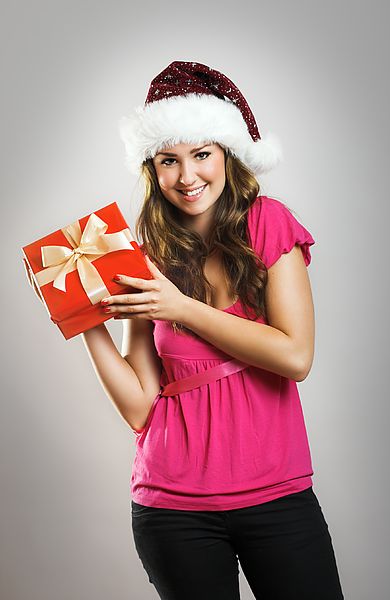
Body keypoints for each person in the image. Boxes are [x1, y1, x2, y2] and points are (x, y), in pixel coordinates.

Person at [26, 61, 344, 600]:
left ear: (226, 156)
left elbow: (296, 356)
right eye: (168, 160)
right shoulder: (144, 255)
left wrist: (181, 308)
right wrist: (82, 317)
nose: (187, 176)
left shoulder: (268, 222)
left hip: (276, 495)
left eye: (201, 154)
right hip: (171, 506)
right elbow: (139, 407)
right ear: (152, 168)